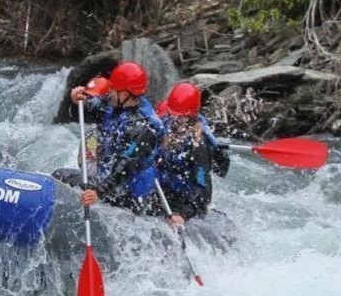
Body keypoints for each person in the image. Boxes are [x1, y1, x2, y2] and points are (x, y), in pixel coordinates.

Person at [67, 61, 165, 215]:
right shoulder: (120, 101)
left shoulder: (144, 127)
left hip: (128, 195)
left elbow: (124, 167)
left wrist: (99, 192)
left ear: (125, 94)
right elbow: (99, 103)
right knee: (64, 176)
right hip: (110, 179)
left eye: (112, 88)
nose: (109, 91)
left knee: (63, 177)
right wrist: (81, 101)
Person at [154, 81, 230, 226]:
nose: (176, 119)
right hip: (165, 194)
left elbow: (203, 189)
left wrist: (183, 214)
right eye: (173, 114)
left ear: (190, 116)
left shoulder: (198, 145)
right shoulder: (168, 125)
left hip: (186, 205)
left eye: (180, 116)